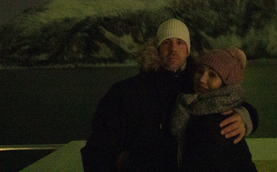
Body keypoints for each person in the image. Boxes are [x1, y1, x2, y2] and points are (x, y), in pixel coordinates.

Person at [81, 19, 257, 172]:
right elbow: (98, 150)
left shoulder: (198, 86)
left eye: (180, 42)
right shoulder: (126, 92)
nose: (173, 49)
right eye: (167, 42)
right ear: (157, 47)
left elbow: (228, 99)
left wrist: (246, 116)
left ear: (188, 50)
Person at [170, 47, 257, 172]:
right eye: (200, 71)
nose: (202, 80)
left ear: (225, 85)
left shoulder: (216, 122)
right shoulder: (195, 104)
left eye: (212, 75)